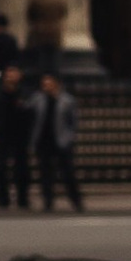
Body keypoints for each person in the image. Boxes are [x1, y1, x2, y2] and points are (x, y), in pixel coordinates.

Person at [0, 62, 41, 211]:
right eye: (9, 73)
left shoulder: (25, 93)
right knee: (0, 167)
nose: (11, 76)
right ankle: (2, 198)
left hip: (21, 135)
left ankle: (22, 198)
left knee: (22, 168)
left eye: (14, 73)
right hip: (2, 134)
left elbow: (32, 114)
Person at [36, 70, 84, 212]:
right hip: (44, 141)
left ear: (56, 84)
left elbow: (73, 122)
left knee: (68, 173)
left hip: (61, 141)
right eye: (44, 84)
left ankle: (76, 200)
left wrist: (69, 138)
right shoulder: (38, 99)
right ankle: (48, 201)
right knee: (46, 174)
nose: (46, 86)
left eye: (49, 83)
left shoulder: (67, 100)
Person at [22, 0, 69, 78]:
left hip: (39, 33)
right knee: (54, 63)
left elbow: (30, 15)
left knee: (41, 62)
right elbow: (63, 14)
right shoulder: (59, 0)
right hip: (55, 33)